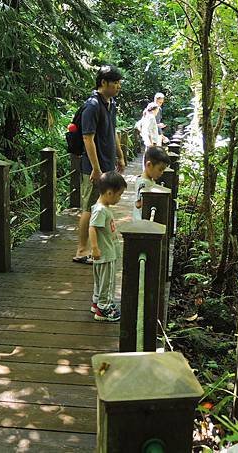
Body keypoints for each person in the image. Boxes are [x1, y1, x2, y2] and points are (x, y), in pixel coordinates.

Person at [73, 65, 126, 264]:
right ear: (103, 83)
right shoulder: (93, 106)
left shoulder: (110, 104)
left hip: (107, 165)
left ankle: (98, 245)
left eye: (119, 83)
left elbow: (113, 132)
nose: (118, 86)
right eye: (115, 83)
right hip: (94, 168)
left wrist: (119, 156)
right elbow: (88, 138)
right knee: (89, 207)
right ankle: (81, 251)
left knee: (101, 206)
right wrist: (96, 168)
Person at [89, 171, 127, 321]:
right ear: (110, 193)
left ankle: (97, 302)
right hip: (105, 253)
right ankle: (104, 308)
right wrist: (94, 248)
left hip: (103, 252)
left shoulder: (101, 207)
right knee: (108, 281)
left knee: (100, 280)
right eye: (119, 195)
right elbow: (92, 227)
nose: (120, 198)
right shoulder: (100, 210)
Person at [133, 146, 171, 221]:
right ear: (149, 165)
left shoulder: (149, 180)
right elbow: (138, 204)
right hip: (141, 222)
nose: (162, 173)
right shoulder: (143, 183)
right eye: (160, 169)